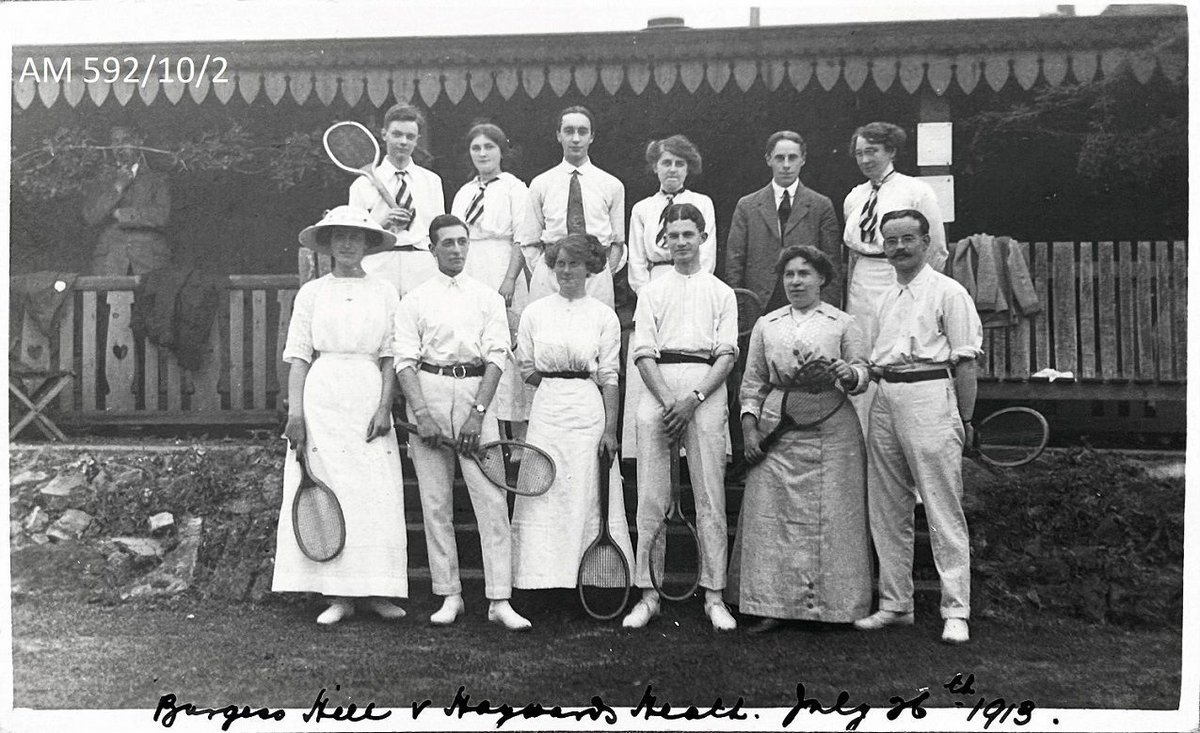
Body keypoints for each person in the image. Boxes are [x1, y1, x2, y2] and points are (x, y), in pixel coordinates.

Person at [392, 213, 531, 631]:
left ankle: (499, 599)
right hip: (429, 397)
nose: (456, 250)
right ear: (431, 249)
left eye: (462, 242)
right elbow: (404, 360)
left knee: (490, 503)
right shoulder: (414, 299)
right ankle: (449, 594)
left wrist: (479, 412)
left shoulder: (488, 298)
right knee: (435, 505)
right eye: (447, 243)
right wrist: (422, 413)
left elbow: (496, 356)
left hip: (476, 398)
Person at [272, 205, 408, 625]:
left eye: (356, 236)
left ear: (367, 244)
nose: (348, 244)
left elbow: (390, 355)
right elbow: (298, 357)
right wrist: (296, 413)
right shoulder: (312, 293)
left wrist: (385, 406)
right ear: (329, 245)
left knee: (374, 492)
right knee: (331, 487)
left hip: (368, 395)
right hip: (324, 395)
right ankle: (337, 595)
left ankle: (375, 591)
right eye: (339, 236)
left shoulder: (385, 291)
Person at [852, 209, 981, 645]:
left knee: (943, 507)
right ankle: (895, 604)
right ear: (883, 247)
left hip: (931, 398)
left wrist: (964, 420)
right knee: (887, 508)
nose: (900, 247)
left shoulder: (949, 292)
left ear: (926, 243)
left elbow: (965, 362)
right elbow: (874, 362)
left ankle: (956, 610)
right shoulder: (884, 297)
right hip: (885, 398)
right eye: (891, 241)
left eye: (908, 238)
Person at [728, 245, 872, 633]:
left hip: (832, 428)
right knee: (771, 515)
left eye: (804, 274)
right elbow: (753, 382)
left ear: (822, 278)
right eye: (789, 274)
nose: (795, 281)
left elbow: (862, 374)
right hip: (779, 425)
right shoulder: (767, 324)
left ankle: (831, 607)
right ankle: (770, 604)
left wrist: (848, 373)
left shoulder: (843, 323)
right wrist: (750, 428)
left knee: (832, 515)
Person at [623, 203, 739, 632]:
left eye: (689, 234)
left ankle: (714, 594)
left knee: (710, 496)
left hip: (705, 392)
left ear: (703, 239)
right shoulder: (652, 292)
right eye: (673, 235)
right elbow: (643, 352)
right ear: (664, 242)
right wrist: (669, 399)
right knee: (651, 498)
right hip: (658, 392)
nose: (681, 242)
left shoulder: (721, 292)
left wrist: (692, 397)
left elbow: (726, 354)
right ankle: (648, 593)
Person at [510, 234, 634, 589]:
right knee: (544, 490)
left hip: (587, 410)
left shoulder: (603, 316)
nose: (566, 271)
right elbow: (526, 367)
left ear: (590, 268)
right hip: (547, 411)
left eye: (574, 263)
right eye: (560, 263)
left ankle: (594, 581)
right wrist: (555, 385)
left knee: (585, 492)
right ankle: (540, 582)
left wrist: (610, 430)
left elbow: (609, 377)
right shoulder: (536, 312)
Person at [842, 122, 947, 427]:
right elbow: (852, 251)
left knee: (898, 351)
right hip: (863, 279)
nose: (865, 159)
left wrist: (920, 291)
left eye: (872, 151)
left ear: (891, 151)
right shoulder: (855, 197)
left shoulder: (916, 190)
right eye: (860, 153)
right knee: (861, 352)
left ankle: (906, 428)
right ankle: (865, 433)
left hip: (899, 274)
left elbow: (936, 247)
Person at [622, 135, 717, 453]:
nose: (672, 169)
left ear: (688, 168)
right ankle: (647, 448)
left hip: (693, 285)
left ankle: (694, 446)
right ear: (655, 167)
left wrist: (691, 286)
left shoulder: (703, 203)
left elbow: (708, 254)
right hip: (654, 287)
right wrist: (649, 297)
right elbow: (636, 260)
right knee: (651, 358)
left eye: (679, 163)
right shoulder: (642, 209)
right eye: (666, 163)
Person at [449, 123, 531, 442]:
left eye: (489, 147)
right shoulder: (464, 192)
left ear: (501, 151)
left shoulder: (514, 188)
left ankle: (521, 438)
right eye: (476, 148)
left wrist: (510, 278)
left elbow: (522, 238)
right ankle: (486, 431)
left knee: (509, 348)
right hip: (471, 270)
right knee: (478, 348)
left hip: (503, 269)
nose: (482, 153)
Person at [724, 130, 841, 313]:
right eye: (780, 158)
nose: (786, 165)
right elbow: (734, 262)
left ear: (802, 159)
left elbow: (832, 264)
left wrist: (827, 311)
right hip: (759, 301)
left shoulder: (821, 205)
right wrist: (739, 307)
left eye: (792, 158)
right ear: (768, 159)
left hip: (807, 301)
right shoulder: (747, 205)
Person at [520, 105, 625, 309]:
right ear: (559, 135)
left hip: (595, 274)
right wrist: (549, 268)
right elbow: (529, 240)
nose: (576, 139)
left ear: (591, 137)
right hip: (551, 273)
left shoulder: (612, 185)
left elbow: (618, 243)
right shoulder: (541, 183)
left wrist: (601, 273)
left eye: (582, 132)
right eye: (569, 131)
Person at [350, 103, 446, 297]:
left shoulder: (432, 181)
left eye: (410, 136)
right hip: (379, 262)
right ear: (384, 134)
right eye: (397, 134)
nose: (403, 141)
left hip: (422, 265)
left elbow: (439, 231)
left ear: (417, 140)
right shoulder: (361, 184)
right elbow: (354, 235)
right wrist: (382, 224)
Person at [83, 126, 171, 275]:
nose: (120, 147)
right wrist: (117, 188)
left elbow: (161, 216)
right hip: (111, 262)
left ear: (138, 142)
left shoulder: (158, 179)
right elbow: (91, 216)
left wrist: (123, 215)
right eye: (115, 142)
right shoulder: (101, 181)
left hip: (148, 262)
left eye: (126, 141)